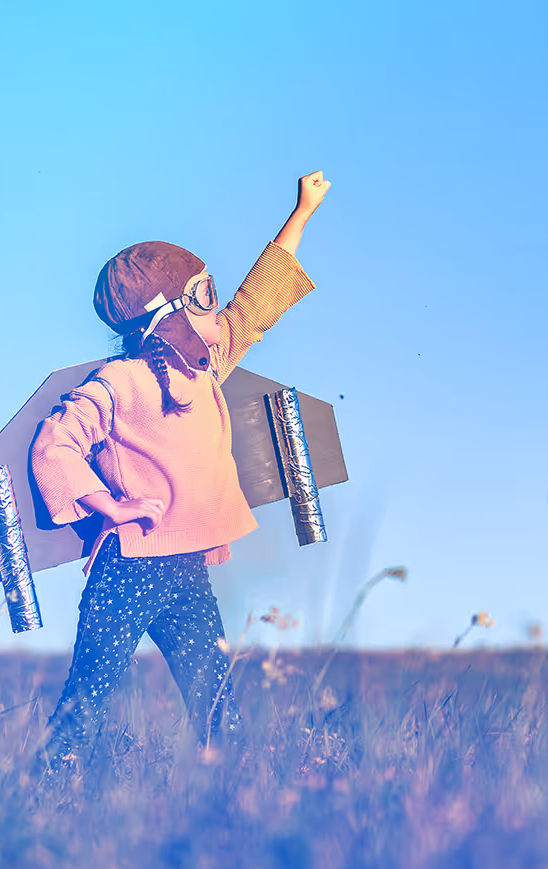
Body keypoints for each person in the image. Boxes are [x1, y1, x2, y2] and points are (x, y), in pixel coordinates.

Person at [28, 171, 331, 773]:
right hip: (128, 571)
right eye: (201, 297)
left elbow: (255, 308)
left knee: (217, 706)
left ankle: (236, 801)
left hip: (187, 572)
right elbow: (55, 443)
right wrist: (105, 505)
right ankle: (42, 795)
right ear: (165, 313)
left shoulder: (205, 372)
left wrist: (301, 213)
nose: (216, 310)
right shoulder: (120, 382)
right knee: (87, 702)